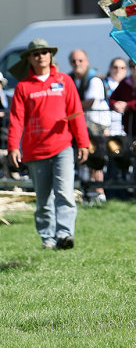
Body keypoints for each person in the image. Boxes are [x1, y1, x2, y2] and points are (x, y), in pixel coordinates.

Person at [7, 39, 89, 249]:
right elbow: (16, 119)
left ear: (50, 56)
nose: (41, 56)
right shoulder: (23, 87)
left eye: (45, 52)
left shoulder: (65, 81)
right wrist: (13, 146)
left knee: (65, 194)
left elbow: (76, 113)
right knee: (43, 200)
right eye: (36, 54)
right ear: (29, 59)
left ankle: (64, 234)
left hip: (62, 147)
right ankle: (47, 239)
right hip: (35, 150)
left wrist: (83, 142)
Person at [69, 48, 110, 202]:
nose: (77, 64)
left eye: (80, 60)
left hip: (97, 125)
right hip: (83, 125)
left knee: (96, 159)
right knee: (86, 159)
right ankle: (88, 192)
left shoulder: (94, 80)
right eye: (74, 61)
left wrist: (69, 106)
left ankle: (99, 192)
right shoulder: (72, 79)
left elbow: (89, 102)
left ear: (87, 61)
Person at [108, 60, 136, 136]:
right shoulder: (124, 83)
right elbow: (112, 99)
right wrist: (115, 105)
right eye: (132, 66)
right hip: (128, 127)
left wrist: (127, 105)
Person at [102, 57, 129, 137]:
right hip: (107, 128)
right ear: (110, 69)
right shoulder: (103, 84)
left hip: (124, 128)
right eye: (115, 67)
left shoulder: (129, 85)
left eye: (122, 68)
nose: (118, 70)